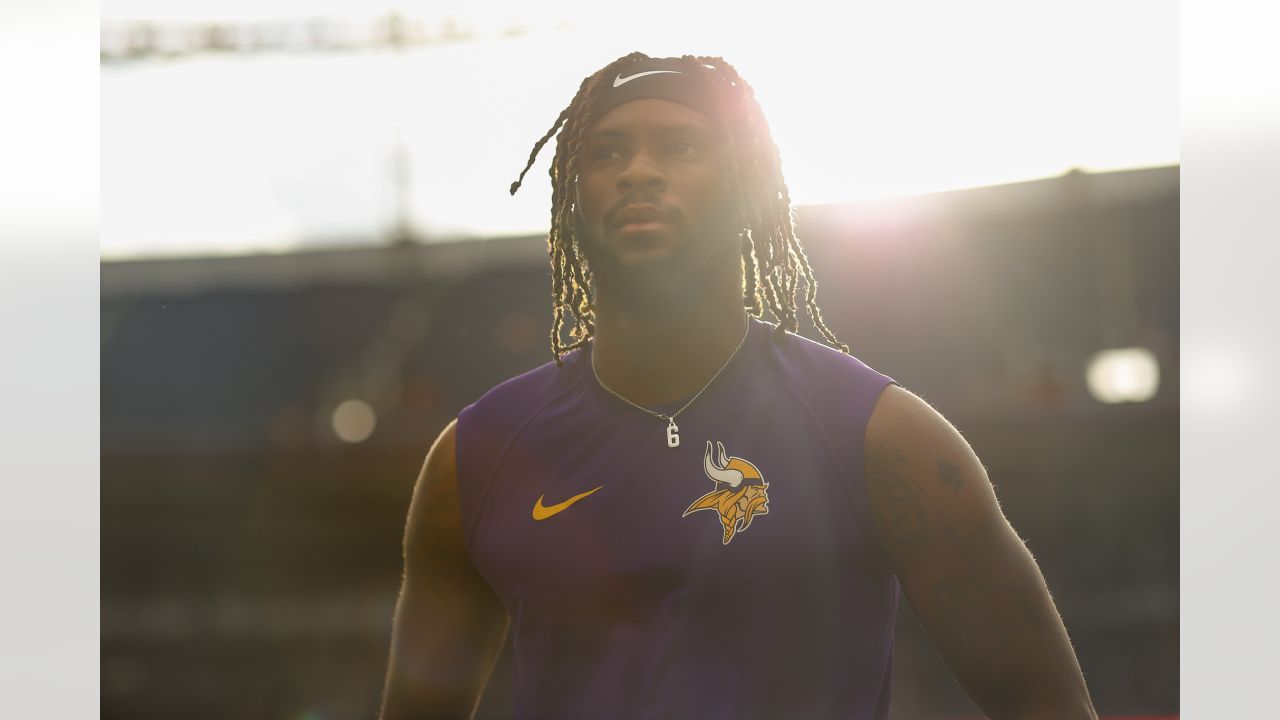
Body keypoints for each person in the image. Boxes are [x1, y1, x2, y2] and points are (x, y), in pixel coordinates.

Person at [379, 52, 1097, 720]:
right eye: (606, 153)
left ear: (748, 189)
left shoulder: (882, 438)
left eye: (681, 148)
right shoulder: (475, 460)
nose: (638, 171)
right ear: (572, 199)